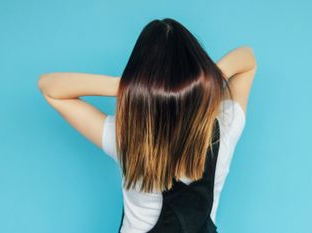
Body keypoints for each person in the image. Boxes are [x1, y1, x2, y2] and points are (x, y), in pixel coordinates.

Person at [38, 18, 257, 233]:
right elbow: (248, 59)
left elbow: (49, 88)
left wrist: (122, 85)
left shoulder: (126, 137)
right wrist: (210, 75)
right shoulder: (224, 129)